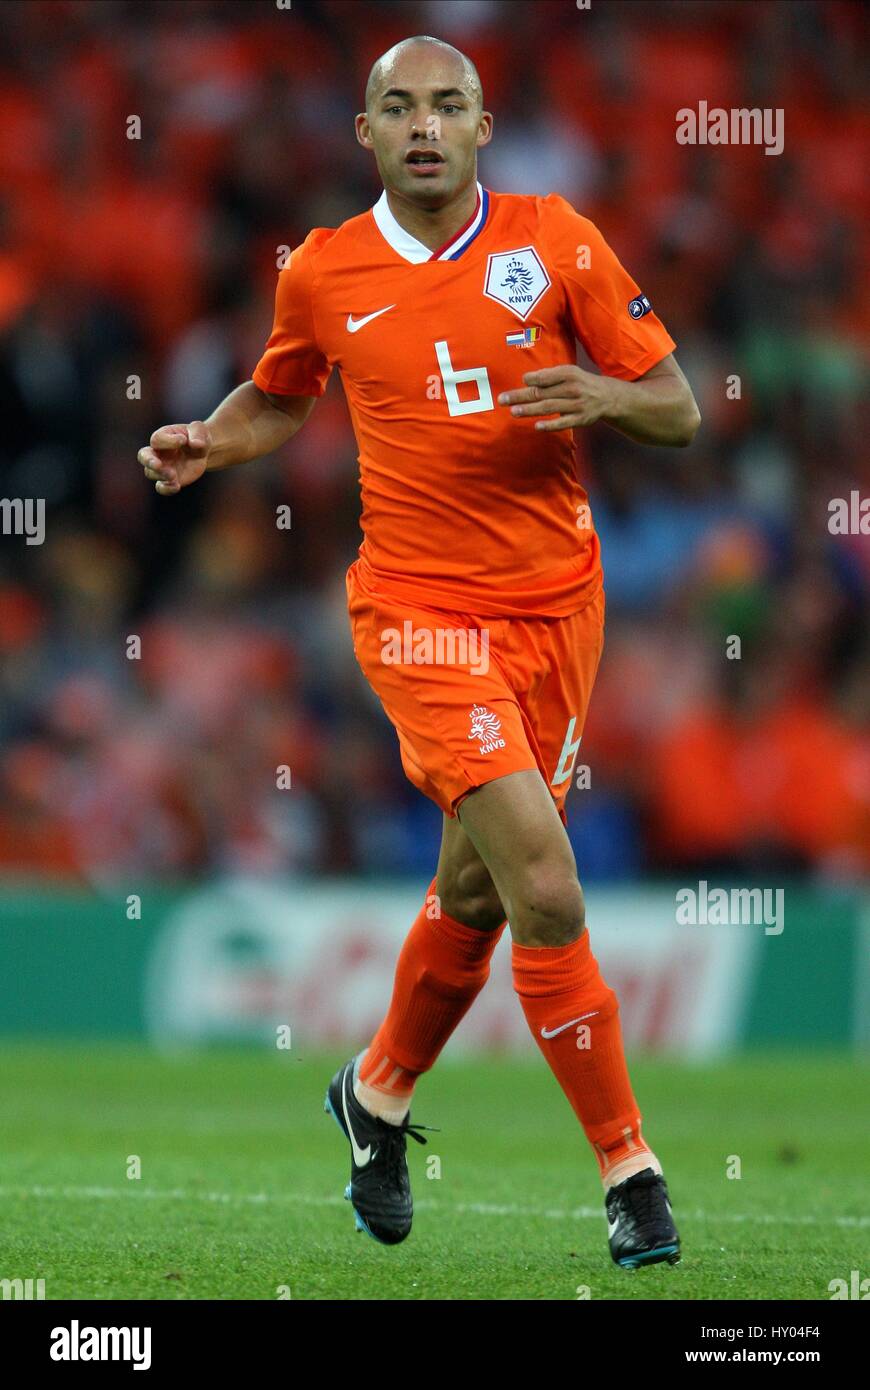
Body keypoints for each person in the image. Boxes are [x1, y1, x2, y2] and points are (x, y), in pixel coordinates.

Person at [138, 35, 700, 1269]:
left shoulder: (558, 241)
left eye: (449, 104)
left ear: (485, 125)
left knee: (477, 889)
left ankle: (376, 1095)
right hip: (416, 611)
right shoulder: (324, 271)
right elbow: (282, 394)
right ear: (367, 134)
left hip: (559, 609)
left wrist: (604, 396)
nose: (427, 125)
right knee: (546, 883)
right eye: (400, 108)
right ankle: (631, 1169)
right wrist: (212, 442)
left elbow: (679, 405)